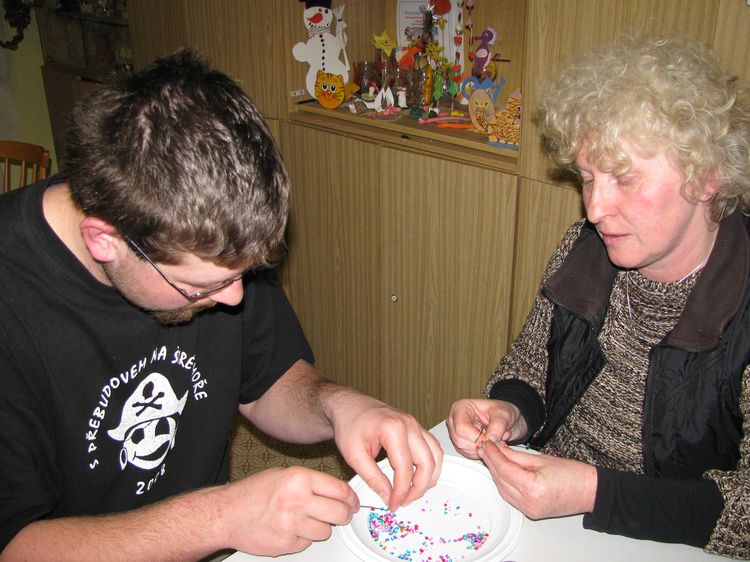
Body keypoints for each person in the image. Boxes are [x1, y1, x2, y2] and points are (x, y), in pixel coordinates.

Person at [0, 50, 442, 561]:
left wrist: (338, 406)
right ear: (105, 240)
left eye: (244, 276)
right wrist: (222, 517)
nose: (235, 298)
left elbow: (266, 380)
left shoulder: (220, 244)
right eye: (202, 287)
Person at [447, 35, 750, 559]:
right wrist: (511, 411)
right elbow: (531, 365)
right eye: (587, 178)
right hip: (559, 517)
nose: (595, 209)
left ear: (706, 178)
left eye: (624, 179)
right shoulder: (586, 247)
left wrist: (594, 492)